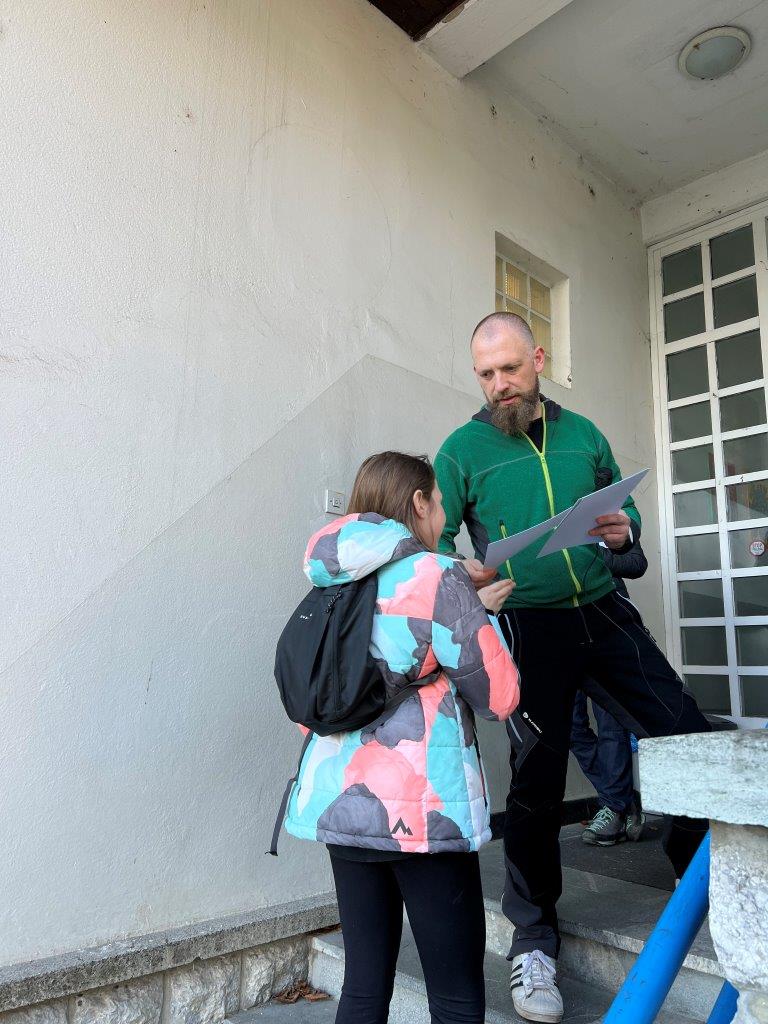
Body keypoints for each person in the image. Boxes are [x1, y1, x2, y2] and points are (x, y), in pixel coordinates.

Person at [434, 312, 711, 1024]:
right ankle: (534, 944)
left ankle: (701, 879)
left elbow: (626, 522)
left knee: (689, 738)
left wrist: (624, 531)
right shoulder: (461, 450)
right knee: (535, 785)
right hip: (528, 625)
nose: (499, 384)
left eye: (510, 369)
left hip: (604, 612)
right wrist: (463, 579)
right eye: (486, 374)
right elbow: (432, 543)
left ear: (538, 359)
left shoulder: (585, 434)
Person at [283, 451, 520, 1024]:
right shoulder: (436, 576)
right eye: (438, 503)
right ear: (418, 502)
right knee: (456, 997)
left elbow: (313, 706)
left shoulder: (329, 580)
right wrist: (478, 615)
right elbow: (500, 697)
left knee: (364, 989)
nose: (441, 516)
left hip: (342, 805)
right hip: (422, 812)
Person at [570, 540, 648, 846]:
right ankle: (622, 799)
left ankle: (614, 807)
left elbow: (636, 563)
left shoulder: (605, 521)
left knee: (611, 726)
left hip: (608, 627)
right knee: (570, 726)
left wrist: (585, 553)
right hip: (561, 630)